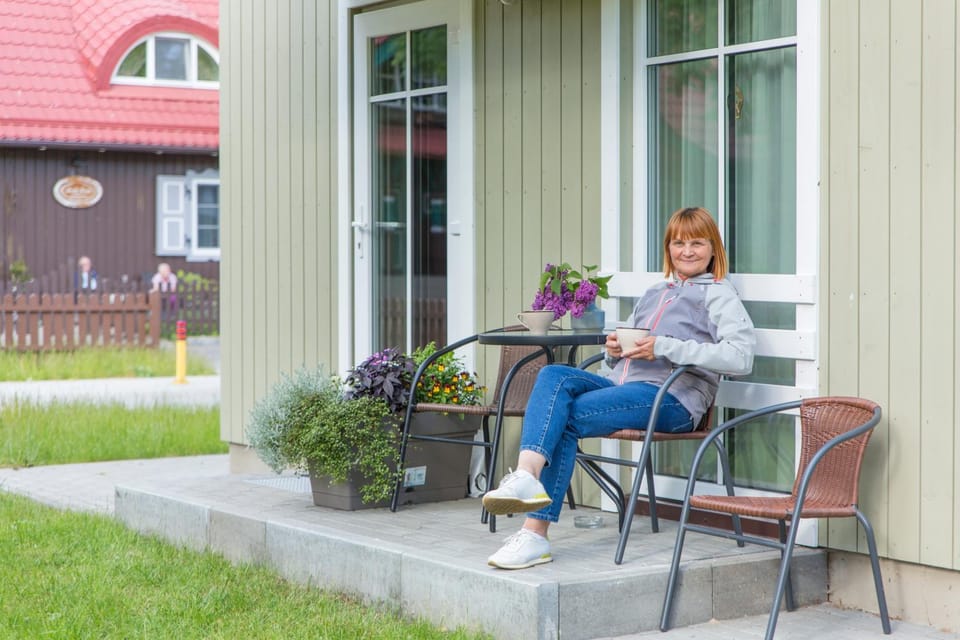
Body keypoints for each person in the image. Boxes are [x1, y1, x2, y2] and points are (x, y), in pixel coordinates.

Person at [482, 206, 756, 570]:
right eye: (678, 243)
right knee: (552, 376)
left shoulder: (718, 294)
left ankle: (534, 535)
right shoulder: (655, 292)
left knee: (565, 417)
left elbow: (740, 358)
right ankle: (527, 476)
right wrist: (613, 351)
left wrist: (664, 345)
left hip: (672, 400)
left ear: (713, 248)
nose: (686, 251)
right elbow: (627, 353)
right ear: (667, 247)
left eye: (696, 243)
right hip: (628, 390)